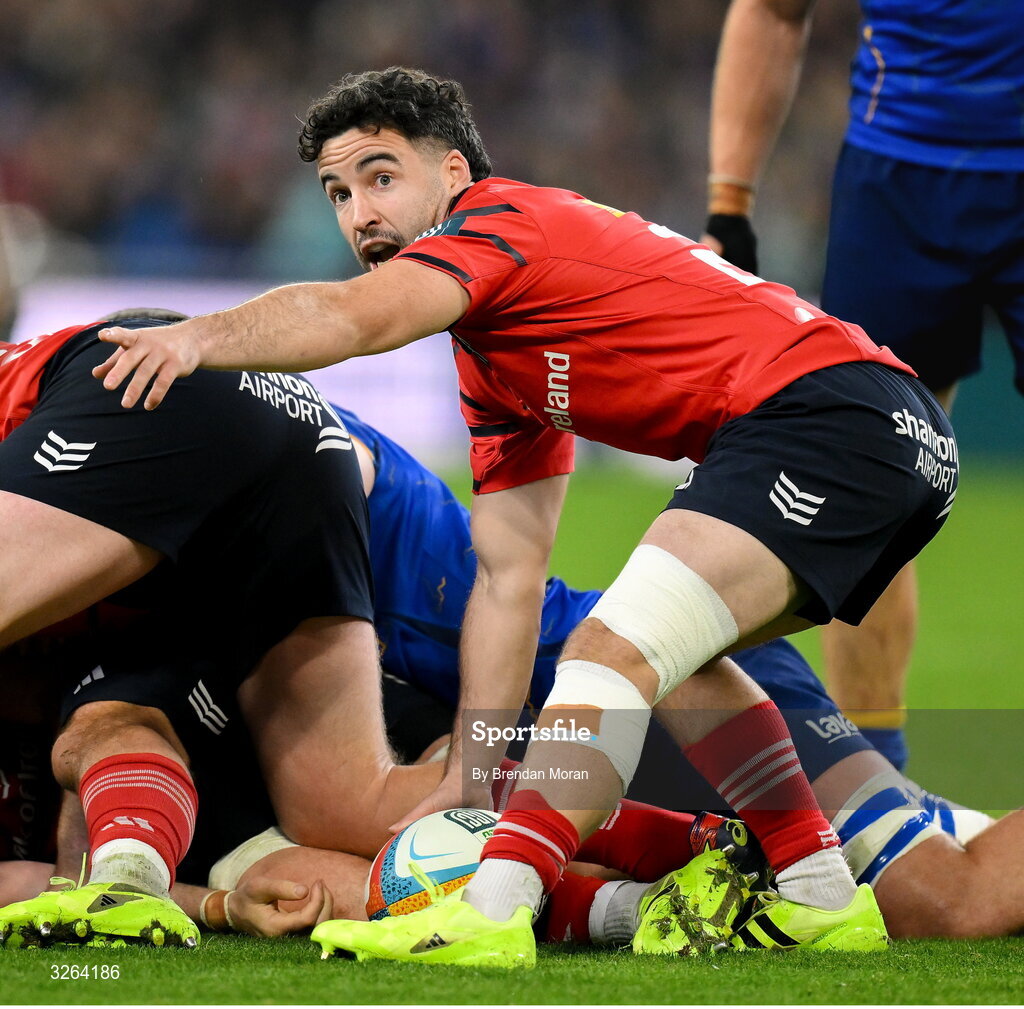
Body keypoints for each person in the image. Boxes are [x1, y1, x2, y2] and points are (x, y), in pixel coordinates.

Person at [94, 66, 960, 964]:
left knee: (605, 652)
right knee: (677, 662)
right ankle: (820, 893)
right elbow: (508, 578)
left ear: (456, 177)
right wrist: (471, 782)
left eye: (383, 177)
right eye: (338, 193)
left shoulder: (501, 223)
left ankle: (497, 906)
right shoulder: (495, 360)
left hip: (836, 418)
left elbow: (352, 319)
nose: (359, 216)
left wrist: (197, 337)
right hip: (864, 433)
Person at [0, 310, 440, 948]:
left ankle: (127, 882)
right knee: (349, 808)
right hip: (301, 425)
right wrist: (219, 905)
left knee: (96, 727)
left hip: (144, 380)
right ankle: (590, 811)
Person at [703, 0, 1024, 770]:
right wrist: (730, 204)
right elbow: (774, 12)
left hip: (912, 169)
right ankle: (878, 796)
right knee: (870, 484)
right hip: (897, 179)